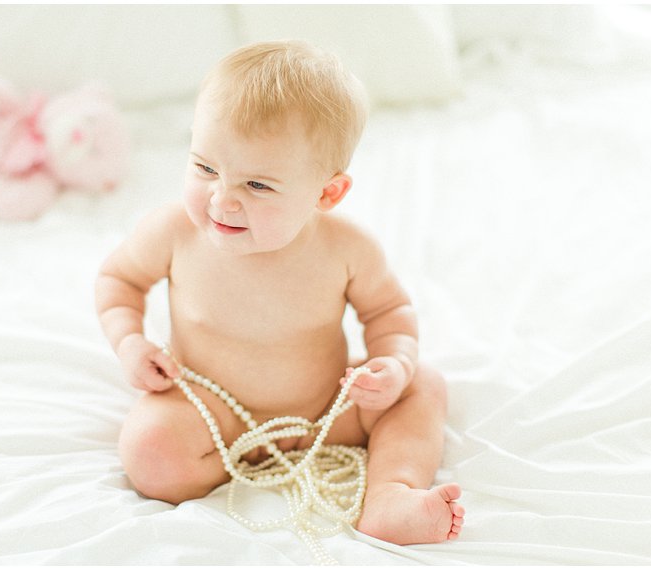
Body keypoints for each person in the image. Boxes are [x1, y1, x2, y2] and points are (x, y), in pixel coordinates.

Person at [95, 40, 464, 545]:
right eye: (205, 168)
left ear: (326, 193)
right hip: (211, 409)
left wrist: (391, 364)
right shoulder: (172, 232)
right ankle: (224, 468)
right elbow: (119, 281)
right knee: (150, 452)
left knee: (423, 386)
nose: (222, 199)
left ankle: (389, 495)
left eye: (258, 186)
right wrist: (129, 343)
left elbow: (389, 310)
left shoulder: (346, 248)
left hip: (325, 410)